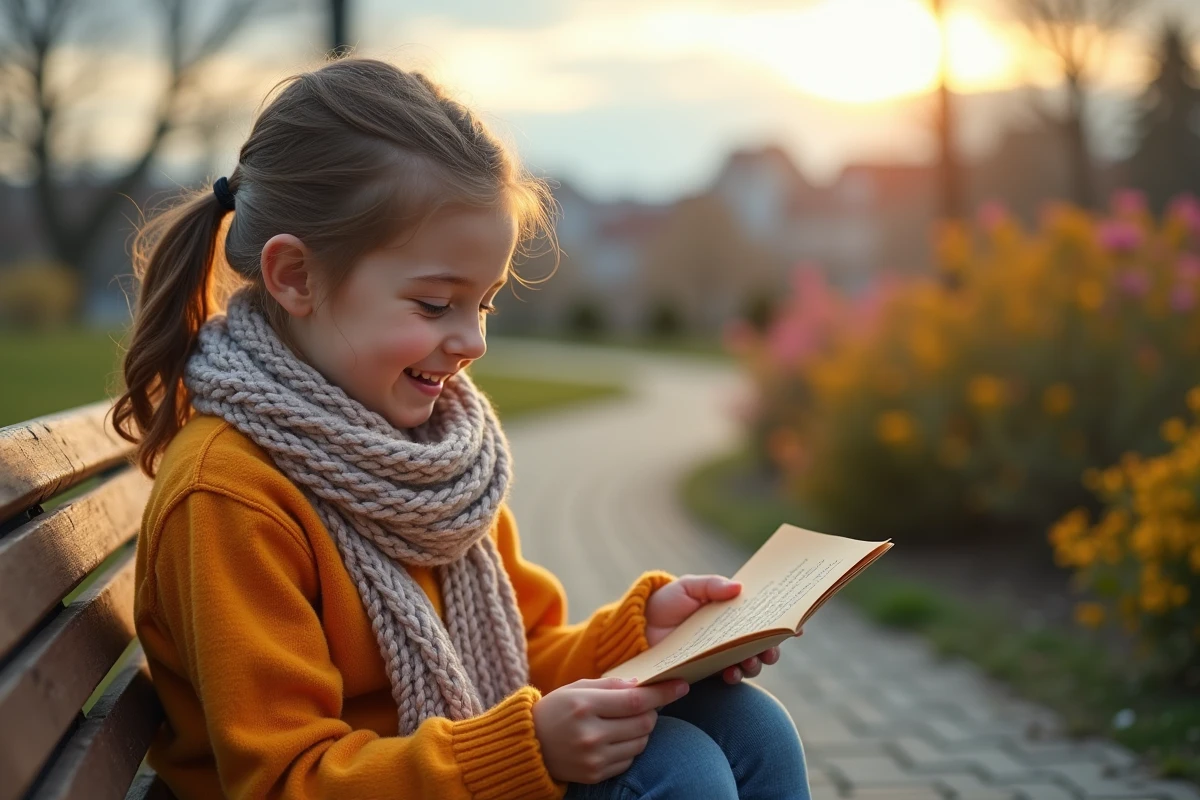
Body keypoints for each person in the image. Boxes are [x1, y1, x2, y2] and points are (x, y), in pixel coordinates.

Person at [113, 56, 812, 800]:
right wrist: (523, 750)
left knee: (747, 725)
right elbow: (286, 779)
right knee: (677, 769)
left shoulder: (434, 457)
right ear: (296, 278)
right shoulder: (231, 497)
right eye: (434, 304)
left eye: (483, 303)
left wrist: (642, 639)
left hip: (433, 768)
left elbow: (517, 654)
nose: (473, 341)